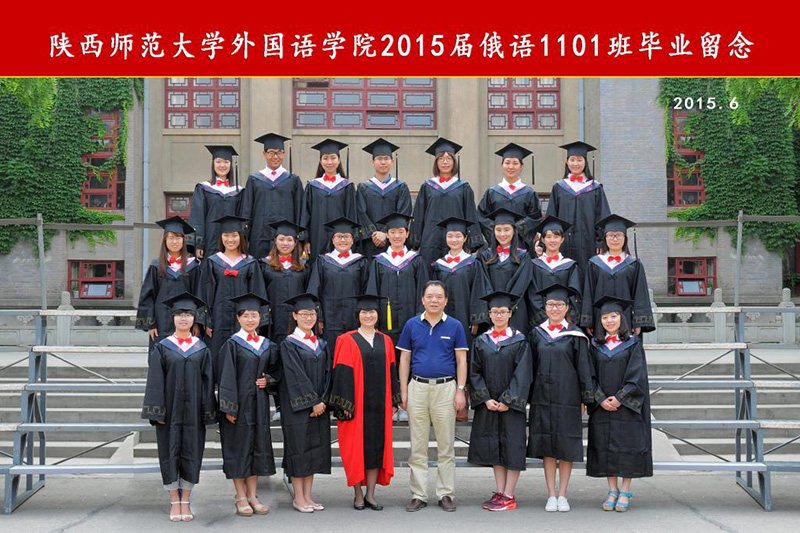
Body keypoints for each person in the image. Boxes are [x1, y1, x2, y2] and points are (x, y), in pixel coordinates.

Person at [141, 292, 216, 523]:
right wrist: (158, 412)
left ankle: (187, 500)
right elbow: (155, 381)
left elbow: (208, 383)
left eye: (188, 314)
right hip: (170, 412)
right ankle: (175, 500)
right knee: (170, 453)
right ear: (172, 317)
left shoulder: (201, 349)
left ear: (194, 319)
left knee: (192, 453)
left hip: (194, 412)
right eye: (180, 314)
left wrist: (206, 411)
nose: (184, 318)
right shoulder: (162, 347)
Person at [397, 280, 468, 513]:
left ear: (445, 300)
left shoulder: (455, 326)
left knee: (446, 445)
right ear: (423, 299)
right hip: (417, 388)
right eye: (430, 296)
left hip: (446, 389)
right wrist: (404, 390)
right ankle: (418, 494)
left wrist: (460, 389)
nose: (434, 300)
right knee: (417, 446)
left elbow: (461, 360)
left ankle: (446, 493)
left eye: (439, 296)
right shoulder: (412, 325)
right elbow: (405, 359)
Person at [328, 293, 401, 511]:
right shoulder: (346, 339)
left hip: (379, 406)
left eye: (372, 312)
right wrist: (344, 405)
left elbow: (392, 371)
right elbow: (341, 373)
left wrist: (394, 401)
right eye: (364, 312)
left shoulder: (386, 340)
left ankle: (370, 494)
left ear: (378, 315)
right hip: (356, 407)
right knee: (355, 450)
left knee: (375, 450)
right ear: (357, 315)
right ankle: (357, 494)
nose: (368, 316)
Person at [527, 284, 595, 513]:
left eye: (559, 305)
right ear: (545, 307)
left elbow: (584, 368)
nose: (554, 308)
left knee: (566, 446)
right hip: (542, 397)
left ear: (567, 308)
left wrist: (585, 397)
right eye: (550, 304)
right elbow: (530, 367)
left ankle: (563, 494)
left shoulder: (575, 335)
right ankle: (551, 494)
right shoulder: (536, 334)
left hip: (568, 397)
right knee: (547, 445)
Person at [468, 291, 532, 512]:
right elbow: (474, 372)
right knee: (494, 446)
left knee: (512, 446)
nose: (498, 315)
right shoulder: (481, 341)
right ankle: (500, 491)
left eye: (503, 311)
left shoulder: (520, 341)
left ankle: (509, 495)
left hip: (511, 406)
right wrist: (485, 398)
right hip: (489, 405)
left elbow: (523, 374)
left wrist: (508, 400)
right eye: (495, 312)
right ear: (489, 314)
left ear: (510, 313)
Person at [587, 295, 652, 512]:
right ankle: (612, 489)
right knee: (606, 446)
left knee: (627, 447)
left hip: (627, 406)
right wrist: (599, 398)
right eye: (604, 317)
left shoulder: (633, 344)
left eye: (613, 316)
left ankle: (625, 490)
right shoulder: (595, 346)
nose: (609, 321)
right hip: (603, 405)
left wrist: (619, 397)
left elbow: (637, 375)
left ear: (622, 318)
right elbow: (589, 375)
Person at [218, 293, 281, 517]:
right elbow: (225, 377)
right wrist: (229, 407)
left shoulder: (267, 345)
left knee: (257, 447)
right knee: (239, 448)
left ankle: (253, 495)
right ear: (238, 318)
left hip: (259, 404)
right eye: (246, 316)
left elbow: (277, 371)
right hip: (238, 405)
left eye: (254, 315)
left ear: (260, 318)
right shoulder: (232, 344)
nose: (250, 319)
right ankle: (240, 496)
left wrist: (269, 380)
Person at [430, 216, 490, 421]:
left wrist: (476, 318)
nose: (454, 239)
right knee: (444, 354)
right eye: (450, 236)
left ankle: (463, 399)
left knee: (465, 356)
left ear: (465, 238)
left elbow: (479, 291)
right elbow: (432, 294)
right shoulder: (438, 265)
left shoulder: (473, 263)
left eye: (458, 236)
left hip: (465, 318)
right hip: (442, 319)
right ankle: (444, 402)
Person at [278, 293, 332, 513]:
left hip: (319, 407)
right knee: (298, 450)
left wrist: (323, 401)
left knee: (313, 451)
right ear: (295, 316)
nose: (309, 317)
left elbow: (328, 374)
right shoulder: (288, 344)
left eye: (312, 313)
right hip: (297, 408)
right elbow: (295, 376)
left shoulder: (321, 343)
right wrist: (313, 402)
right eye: (304, 314)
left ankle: (308, 496)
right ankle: (298, 497)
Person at [200, 215, 267, 380]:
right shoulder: (213, 262)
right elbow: (205, 293)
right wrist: (206, 321)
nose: (230, 239)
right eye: (226, 235)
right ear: (221, 237)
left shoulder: (250, 263)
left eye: (234, 235)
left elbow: (258, 292)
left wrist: (257, 322)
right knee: (218, 357)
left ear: (240, 237)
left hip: (244, 320)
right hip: (218, 319)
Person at [409, 137, 484, 266]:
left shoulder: (463, 187)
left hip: (456, 239)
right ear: (436, 162)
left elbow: (470, 214)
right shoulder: (427, 186)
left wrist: (472, 242)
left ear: (454, 162)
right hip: (430, 240)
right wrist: (415, 241)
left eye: (449, 158)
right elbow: (419, 215)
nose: (445, 162)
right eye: (441, 159)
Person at [580, 214, 656, 336]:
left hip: (627, 320)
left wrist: (638, 322)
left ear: (625, 238)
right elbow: (589, 294)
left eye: (619, 235)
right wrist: (588, 321)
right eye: (610, 235)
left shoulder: (634, 264)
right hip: (601, 320)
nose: (615, 239)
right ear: (605, 238)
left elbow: (640, 295)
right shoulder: (594, 264)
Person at [545, 141, 611, 277]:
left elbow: (602, 217)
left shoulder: (595, 188)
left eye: (579, 160)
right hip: (562, 244)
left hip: (588, 244)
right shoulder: (559, 187)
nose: (576, 163)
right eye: (572, 159)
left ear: (585, 162)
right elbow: (552, 216)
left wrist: (600, 242)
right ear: (566, 161)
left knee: (586, 276)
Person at [136, 216, 202, 350]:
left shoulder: (193, 266)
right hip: (161, 322)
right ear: (165, 241)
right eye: (170, 238)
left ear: (183, 240)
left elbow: (199, 295)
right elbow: (148, 296)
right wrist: (151, 324)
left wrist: (197, 322)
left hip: (186, 320)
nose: (174, 242)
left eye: (178, 238)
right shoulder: (156, 266)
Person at [306, 217, 370, 347]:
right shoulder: (322, 261)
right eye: (339, 236)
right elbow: (314, 291)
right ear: (333, 239)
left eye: (347, 236)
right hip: (329, 318)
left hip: (354, 318)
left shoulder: (361, 262)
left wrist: (364, 316)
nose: (343, 240)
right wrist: (319, 318)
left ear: (353, 239)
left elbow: (366, 291)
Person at [240, 133, 306, 258]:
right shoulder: (254, 179)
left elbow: (300, 210)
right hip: (259, 237)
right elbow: (246, 210)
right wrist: (244, 237)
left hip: (286, 240)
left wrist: (301, 238)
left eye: (279, 152)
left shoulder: (293, 180)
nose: (275, 156)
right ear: (264, 154)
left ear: (284, 154)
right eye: (271, 153)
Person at [301, 138, 359, 262]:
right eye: (325, 158)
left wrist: (350, 239)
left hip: (341, 239)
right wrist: (305, 240)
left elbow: (351, 215)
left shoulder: (347, 186)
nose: (329, 162)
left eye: (333, 158)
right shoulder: (312, 185)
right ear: (320, 161)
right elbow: (305, 214)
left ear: (339, 160)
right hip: (316, 236)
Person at [478, 208, 534, 335]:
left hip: (516, 309)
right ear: (493, 231)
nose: (502, 234)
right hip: (492, 311)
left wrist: (507, 306)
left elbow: (521, 283)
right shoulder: (486, 256)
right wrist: (494, 306)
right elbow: (483, 282)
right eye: (498, 230)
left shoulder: (523, 256)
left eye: (507, 229)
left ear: (514, 231)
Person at [477, 143, 542, 247]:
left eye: (515, 163)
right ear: (502, 165)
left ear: (521, 166)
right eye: (507, 163)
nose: (511, 167)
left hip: (521, 246)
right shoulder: (492, 192)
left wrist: (515, 229)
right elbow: (481, 216)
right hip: (497, 245)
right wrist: (499, 231)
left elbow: (535, 218)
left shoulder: (529, 193)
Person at [356, 138, 412, 258]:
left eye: (386, 158)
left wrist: (386, 233)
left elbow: (403, 212)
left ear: (392, 161)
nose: (383, 162)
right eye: (379, 159)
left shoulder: (401, 187)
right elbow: (361, 213)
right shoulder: (363, 187)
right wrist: (374, 234)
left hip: (394, 240)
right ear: (372, 162)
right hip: (370, 242)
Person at [188, 145, 243, 259]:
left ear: (231, 165)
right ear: (213, 163)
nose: (222, 165)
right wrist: (198, 244)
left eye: (226, 162)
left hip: (231, 242)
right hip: (209, 240)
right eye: (218, 162)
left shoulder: (239, 191)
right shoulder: (203, 188)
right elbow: (197, 217)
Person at [527, 216, 582, 326]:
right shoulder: (534, 265)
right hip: (540, 322)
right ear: (543, 239)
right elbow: (532, 294)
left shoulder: (570, 265)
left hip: (564, 320)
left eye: (556, 237)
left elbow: (573, 295)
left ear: (562, 239)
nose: (552, 240)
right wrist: (543, 318)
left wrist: (564, 318)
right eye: (548, 237)